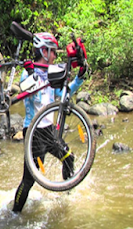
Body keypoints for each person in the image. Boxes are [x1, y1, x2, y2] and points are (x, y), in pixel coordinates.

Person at [12, 32, 87, 213]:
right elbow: (32, 97)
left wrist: (79, 78)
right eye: (53, 52)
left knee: (68, 158)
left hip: (50, 130)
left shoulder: (52, 73)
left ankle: (67, 195)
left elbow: (62, 95)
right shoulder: (26, 72)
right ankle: (14, 214)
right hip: (34, 132)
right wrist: (33, 75)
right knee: (29, 180)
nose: (55, 56)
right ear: (44, 51)